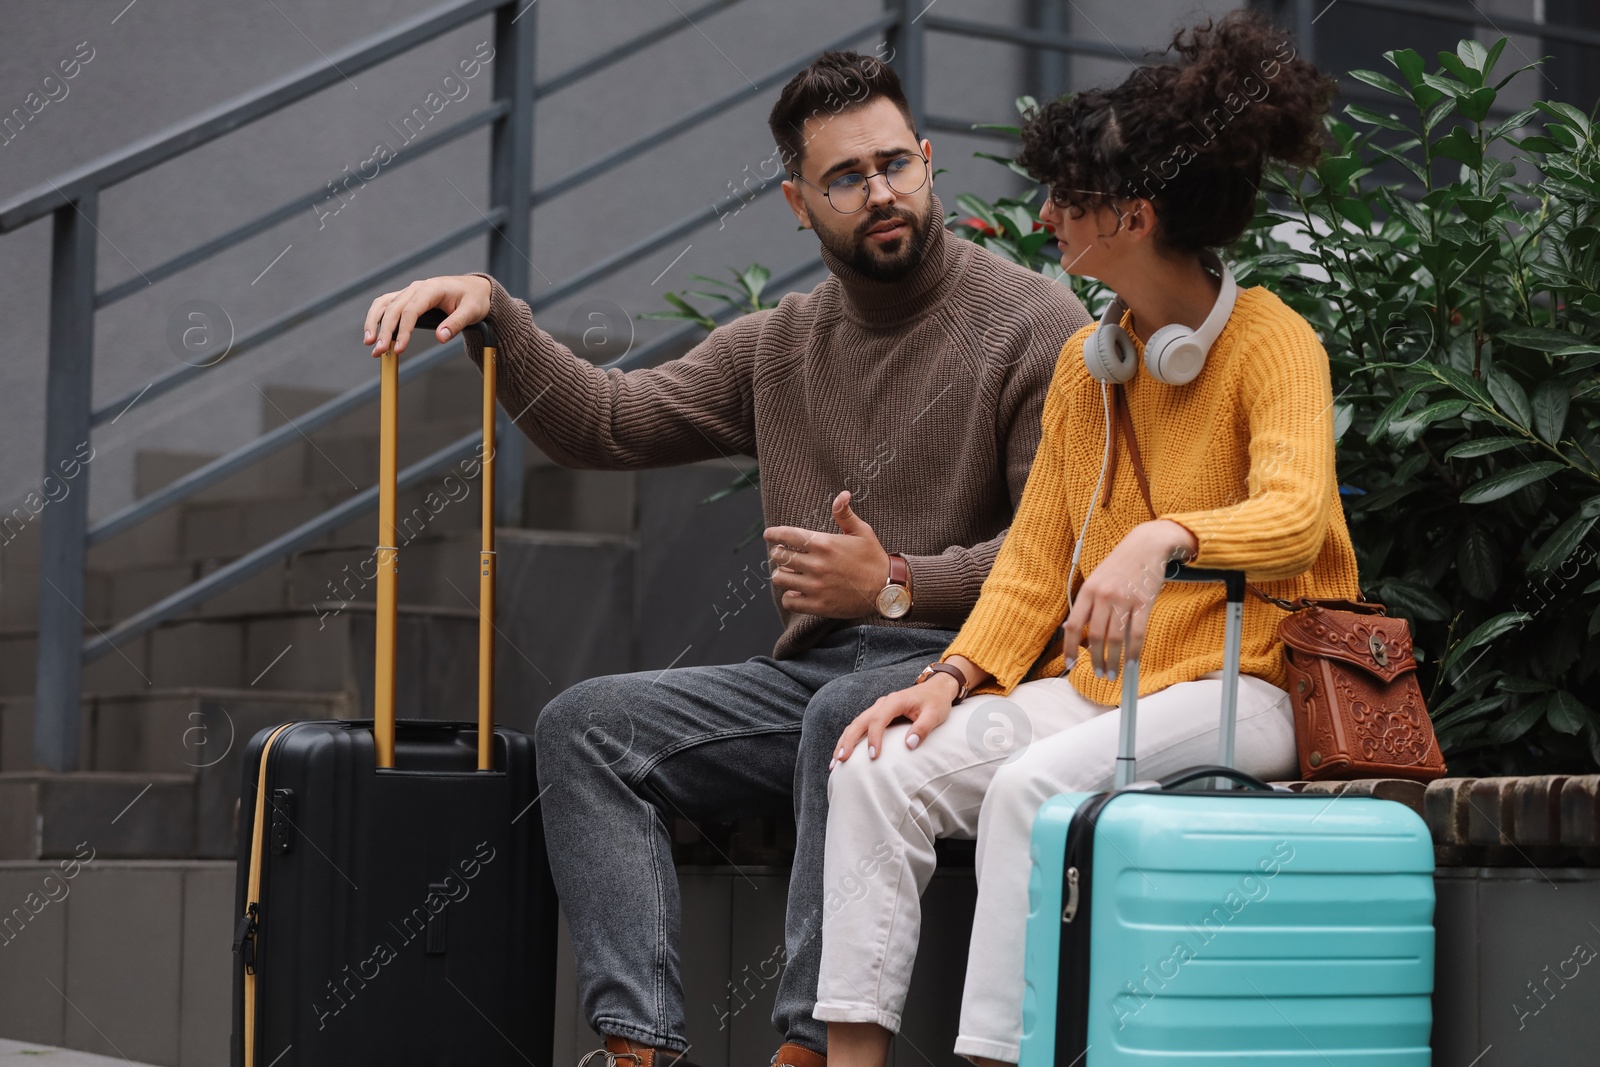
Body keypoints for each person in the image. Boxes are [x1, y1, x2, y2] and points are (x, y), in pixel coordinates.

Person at [361, 51, 1089, 1067]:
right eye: (845, 176)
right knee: (585, 726)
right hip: (809, 679)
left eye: (893, 164)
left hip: (963, 674)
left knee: (846, 718)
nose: (878, 192)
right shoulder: (778, 346)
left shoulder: (1035, 324)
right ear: (799, 202)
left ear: (928, 163)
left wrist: (892, 584)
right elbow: (607, 424)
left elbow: (1054, 557)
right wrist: (496, 314)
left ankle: (804, 1045)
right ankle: (639, 1044)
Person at [812, 13, 1352, 1067]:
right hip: (1105, 691)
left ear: (1135, 214)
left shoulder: (1273, 342)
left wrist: (1166, 535)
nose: (1046, 214)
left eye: (1068, 198)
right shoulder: (1088, 364)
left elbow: (1296, 516)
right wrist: (954, 673)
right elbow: (1032, 557)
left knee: (1032, 790)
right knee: (876, 766)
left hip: (1246, 687)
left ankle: (995, 1055)